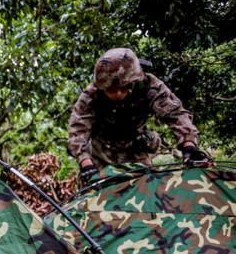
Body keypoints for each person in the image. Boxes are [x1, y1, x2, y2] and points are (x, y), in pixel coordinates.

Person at [68, 48, 210, 183]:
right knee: (96, 196)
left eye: (123, 88)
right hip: (101, 152)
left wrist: (189, 147)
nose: (117, 94)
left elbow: (176, 115)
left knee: (144, 192)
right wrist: (85, 163)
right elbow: (78, 129)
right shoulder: (91, 94)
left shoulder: (149, 86)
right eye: (111, 90)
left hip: (136, 148)